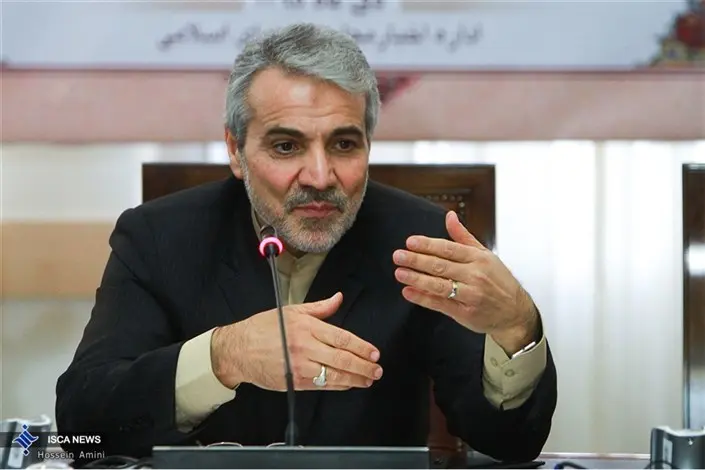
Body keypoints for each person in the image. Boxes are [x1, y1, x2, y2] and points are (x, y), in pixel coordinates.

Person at [56, 22, 557, 464]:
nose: (319, 176)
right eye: (286, 146)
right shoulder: (158, 237)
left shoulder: (420, 244)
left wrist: (517, 327)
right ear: (235, 150)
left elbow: (510, 443)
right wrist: (223, 357)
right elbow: (83, 429)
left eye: (344, 144)